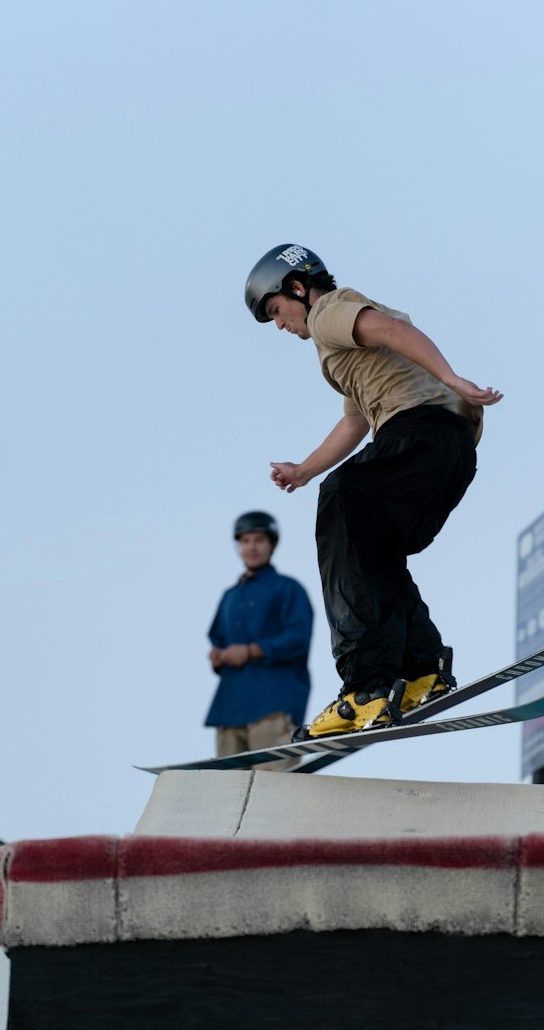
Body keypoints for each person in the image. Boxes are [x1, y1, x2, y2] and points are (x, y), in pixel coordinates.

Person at [244, 243, 503, 737]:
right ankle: (421, 669)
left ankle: (364, 689)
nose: (281, 325)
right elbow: (357, 422)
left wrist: (451, 377)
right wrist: (303, 470)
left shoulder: (329, 313)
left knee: (343, 508)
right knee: (369, 548)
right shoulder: (346, 349)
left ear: (297, 288)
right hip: (448, 452)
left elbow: (392, 331)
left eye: (277, 311)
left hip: (418, 437)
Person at [206, 510, 313, 767]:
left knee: (273, 794)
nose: (251, 547)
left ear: (272, 544)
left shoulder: (288, 589)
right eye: (245, 541)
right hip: (229, 708)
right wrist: (218, 656)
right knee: (230, 796)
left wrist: (252, 650)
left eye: (258, 540)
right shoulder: (230, 596)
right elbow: (218, 638)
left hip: (272, 705)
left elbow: (297, 638)